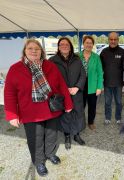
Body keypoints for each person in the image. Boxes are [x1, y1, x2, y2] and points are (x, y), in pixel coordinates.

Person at [4, 39, 73, 177]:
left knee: (52, 135)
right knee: (35, 138)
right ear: (24, 51)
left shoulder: (50, 66)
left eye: (37, 48)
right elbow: (9, 93)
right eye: (30, 48)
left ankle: (50, 153)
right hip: (30, 112)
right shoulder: (15, 68)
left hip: (51, 109)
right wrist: (12, 115)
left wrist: (68, 104)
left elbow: (61, 85)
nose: (34, 51)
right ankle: (39, 161)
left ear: (42, 51)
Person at [49, 37, 86, 150]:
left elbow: (83, 75)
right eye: (62, 44)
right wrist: (61, 90)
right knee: (65, 115)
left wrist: (77, 87)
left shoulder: (77, 59)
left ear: (70, 47)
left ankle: (76, 135)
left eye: (67, 44)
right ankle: (67, 136)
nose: (64, 46)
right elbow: (50, 79)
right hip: (62, 95)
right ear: (58, 47)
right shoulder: (52, 60)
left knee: (78, 113)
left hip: (76, 93)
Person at [100, 32, 124, 125]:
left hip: (118, 83)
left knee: (119, 102)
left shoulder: (123, 52)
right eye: (111, 39)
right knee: (107, 102)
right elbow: (100, 69)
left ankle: (118, 118)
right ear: (108, 40)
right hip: (107, 83)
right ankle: (107, 117)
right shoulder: (104, 52)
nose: (113, 41)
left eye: (115, 39)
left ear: (118, 40)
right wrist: (100, 83)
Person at [79, 35, 103, 130]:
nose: (88, 44)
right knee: (80, 106)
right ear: (83, 44)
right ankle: (80, 122)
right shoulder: (77, 56)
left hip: (92, 86)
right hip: (80, 86)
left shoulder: (96, 57)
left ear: (93, 45)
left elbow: (100, 73)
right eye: (87, 42)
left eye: (90, 43)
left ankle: (91, 122)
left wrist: (99, 87)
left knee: (92, 106)